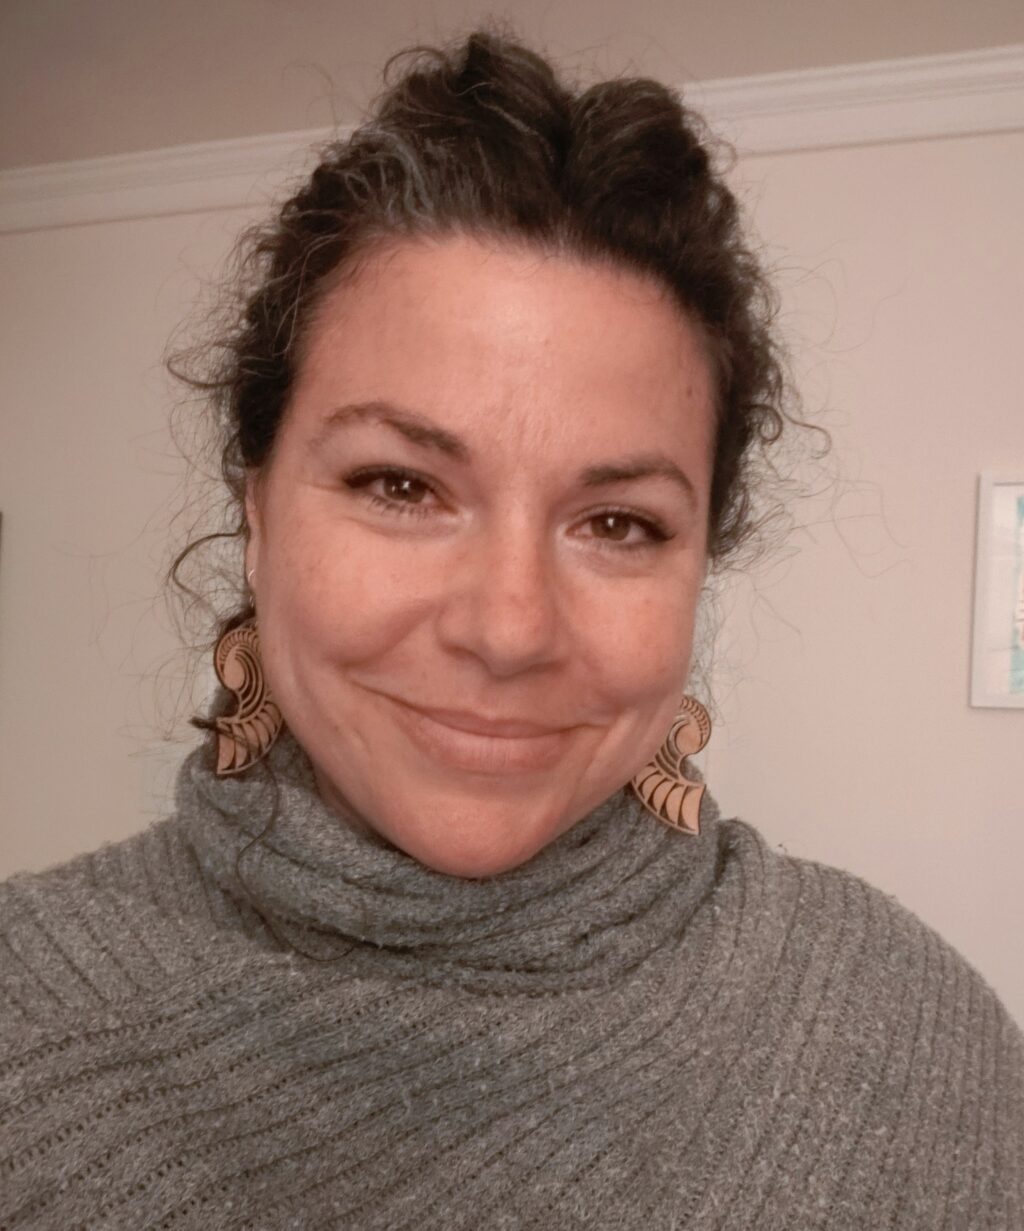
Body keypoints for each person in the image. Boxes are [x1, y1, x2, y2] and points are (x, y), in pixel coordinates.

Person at [1, 25, 1021, 1231]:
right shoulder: (30, 1022)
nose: (510, 627)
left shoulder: (909, 1035)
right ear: (258, 515)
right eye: (400, 486)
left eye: (618, 523)